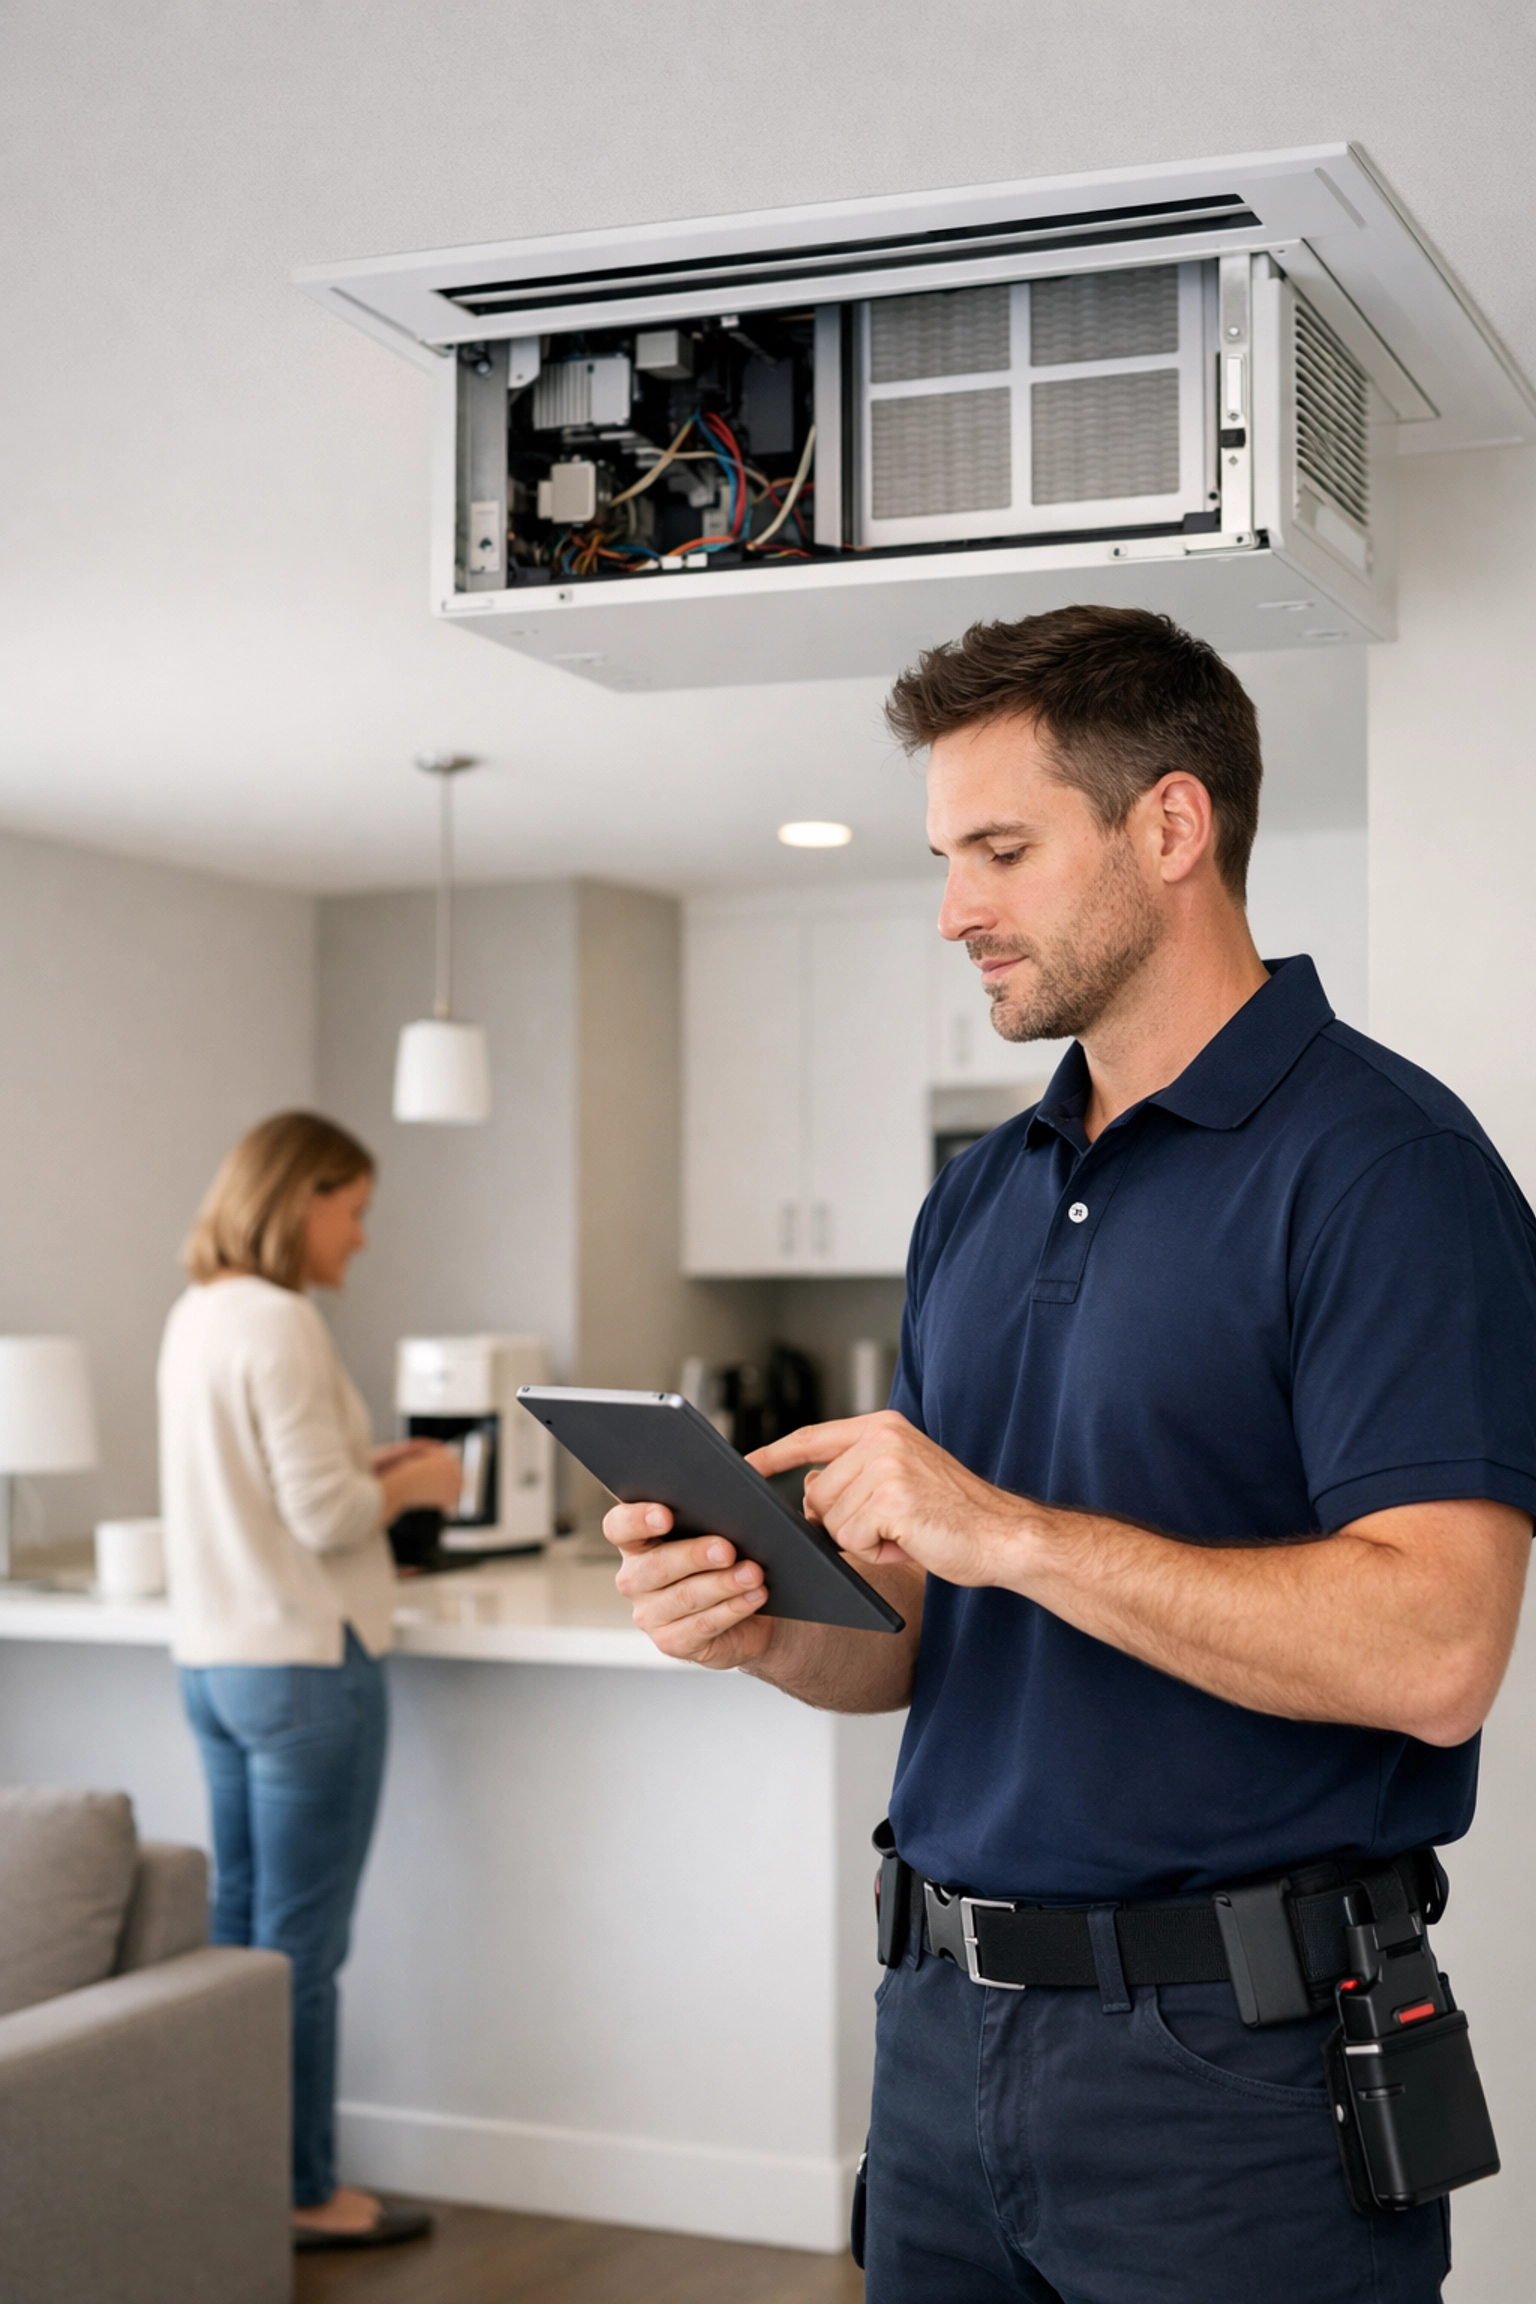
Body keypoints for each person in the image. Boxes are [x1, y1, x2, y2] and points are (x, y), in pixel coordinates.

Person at [606, 607, 1536, 2304]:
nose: (956, 906)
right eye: (946, 855)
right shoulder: (978, 1191)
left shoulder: (1385, 1166)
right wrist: (756, 1619)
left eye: (1004, 850)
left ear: (1170, 826)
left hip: (1233, 2080)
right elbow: (912, 1635)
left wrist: (1011, 1530)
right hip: (939, 2036)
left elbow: (1439, 1648)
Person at [159, 1111, 463, 2252]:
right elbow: (324, 1512)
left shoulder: (197, 1316)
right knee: (301, 1953)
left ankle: (236, 2180)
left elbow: (259, 1487)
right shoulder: (281, 1321)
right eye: (356, 1210)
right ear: (301, 1201)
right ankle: (301, 2191)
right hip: (301, 1670)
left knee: (241, 1948)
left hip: (217, 1664)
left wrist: (361, 1468)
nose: (363, 1238)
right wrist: (421, 1477)